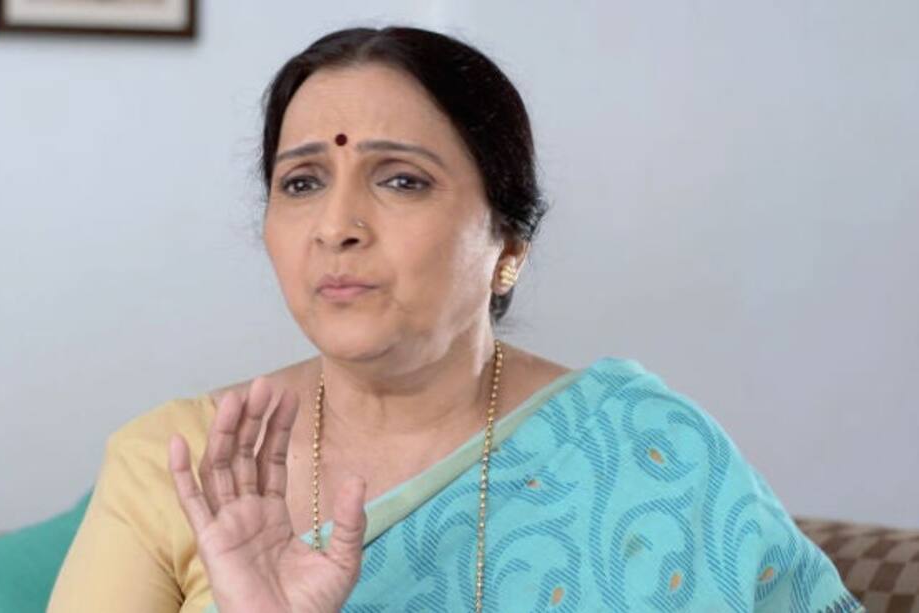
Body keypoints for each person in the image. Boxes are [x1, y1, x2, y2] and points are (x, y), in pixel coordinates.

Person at [46, 26, 861, 612]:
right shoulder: (179, 466)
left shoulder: (648, 450)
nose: (336, 225)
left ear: (508, 241)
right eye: (301, 183)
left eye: (400, 180)